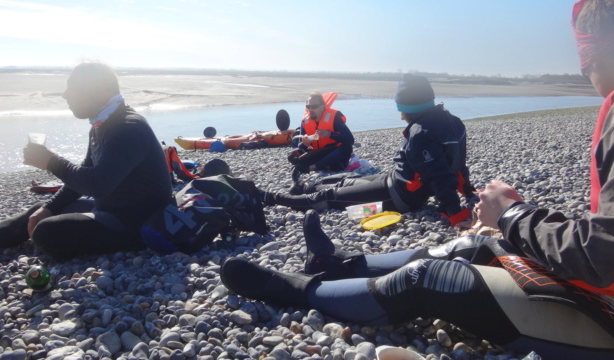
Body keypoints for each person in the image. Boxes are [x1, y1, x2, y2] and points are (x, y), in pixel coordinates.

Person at [219, 1, 614, 358]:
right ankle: (337, 260)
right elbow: (455, 171)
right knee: (464, 244)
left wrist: (507, 213)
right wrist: (474, 203)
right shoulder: (447, 123)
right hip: (396, 186)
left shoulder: (420, 131)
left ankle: (298, 283)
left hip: (397, 197)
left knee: (353, 208)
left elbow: (602, 256)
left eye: (587, 54)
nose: (583, 68)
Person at [0, 62, 172, 259]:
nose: (65, 95)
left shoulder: (128, 128)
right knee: (41, 211)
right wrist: (50, 206)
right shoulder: (102, 124)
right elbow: (84, 175)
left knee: (47, 232)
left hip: (139, 224)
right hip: (111, 209)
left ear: (98, 90)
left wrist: (52, 162)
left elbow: (97, 184)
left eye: (73, 88)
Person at [265, 74, 476, 231]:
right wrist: (468, 191)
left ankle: (273, 198)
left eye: (401, 110)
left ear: (410, 109)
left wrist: (456, 214)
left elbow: (441, 175)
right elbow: (458, 163)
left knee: (333, 199)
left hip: (397, 200)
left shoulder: (421, 133)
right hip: (392, 180)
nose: (401, 117)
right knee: (348, 180)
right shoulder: (454, 122)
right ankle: (302, 185)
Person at [288, 92, 355, 173]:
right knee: (291, 156)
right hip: (317, 153)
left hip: (333, 151)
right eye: (308, 107)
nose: (311, 109)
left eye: (314, 106)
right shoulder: (305, 121)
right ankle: (326, 166)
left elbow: (350, 139)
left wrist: (329, 134)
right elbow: (301, 147)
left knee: (347, 148)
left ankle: (313, 167)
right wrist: (305, 143)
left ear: (322, 107)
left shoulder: (334, 117)